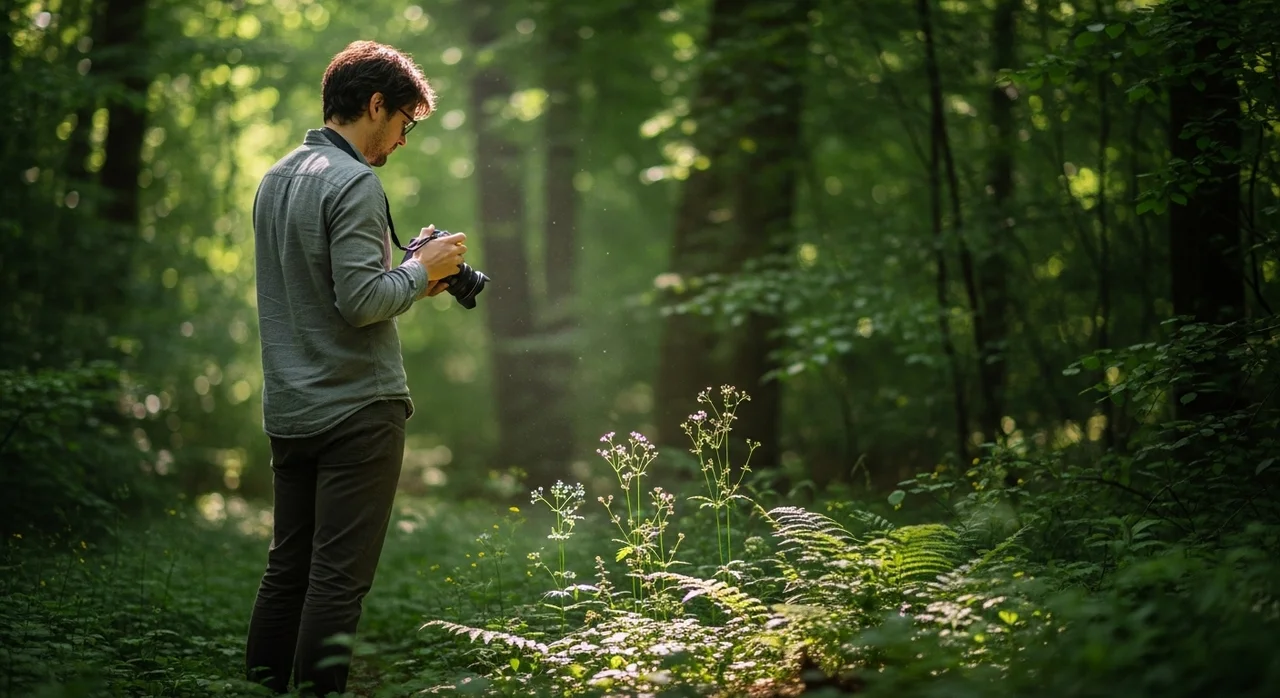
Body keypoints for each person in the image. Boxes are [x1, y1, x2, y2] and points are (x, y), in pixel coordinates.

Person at [245, 40, 466, 696]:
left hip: (291, 409)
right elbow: (362, 302)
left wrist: (411, 280)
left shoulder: (278, 177)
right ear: (376, 105)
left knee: (286, 572)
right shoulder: (355, 182)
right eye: (404, 122)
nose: (402, 140)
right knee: (336, 584)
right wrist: (417, 269)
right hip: (357, 413)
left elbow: (325, 293)